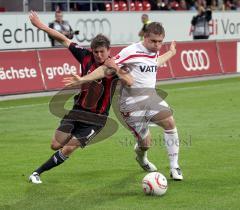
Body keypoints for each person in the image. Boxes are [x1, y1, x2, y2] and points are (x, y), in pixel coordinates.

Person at [67, 22, 183, 180]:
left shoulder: (154, 51)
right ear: (145, 37)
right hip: (131, 105)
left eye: (160, 42)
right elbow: (106, 68)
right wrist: (82, 79)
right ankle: (141, 157)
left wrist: (171, 53)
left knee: (170, 122)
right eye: (153, 41)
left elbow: (155, 63)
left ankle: (175, 166)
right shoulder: (130, 51)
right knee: (145, 143)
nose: (157, 45)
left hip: (151, 97)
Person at [28, 11, 133, 184]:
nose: (99, 55)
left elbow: (130, 82)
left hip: (96, 119)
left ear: (109, 51)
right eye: (96, 52)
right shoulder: (85, 57)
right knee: (55, 145)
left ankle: (36, 173)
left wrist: (117, 70)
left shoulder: (114, 66)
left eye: (102, 52)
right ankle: (71, 140)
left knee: (68, 148)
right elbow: (63, 39)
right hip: (77, 111)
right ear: (92, 51)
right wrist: (41, 26)